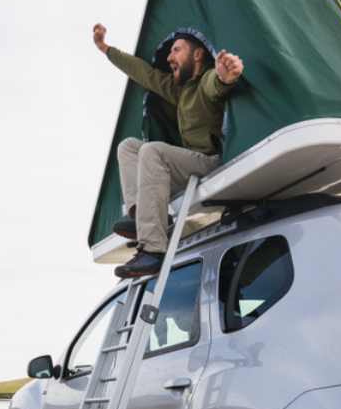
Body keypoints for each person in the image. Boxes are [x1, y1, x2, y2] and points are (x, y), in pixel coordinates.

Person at [93, 23, 244, 278]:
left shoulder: (205, 80)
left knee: (153, 151)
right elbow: (144, 74)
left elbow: (214, 84)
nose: (169, 57)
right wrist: (107, 50)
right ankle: (141, 215)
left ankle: (153, 250)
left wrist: (225, 77)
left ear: (197, 56)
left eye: (176, 50)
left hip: (209, 161)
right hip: (187, 164)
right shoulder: (180, 91)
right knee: (129, 147)